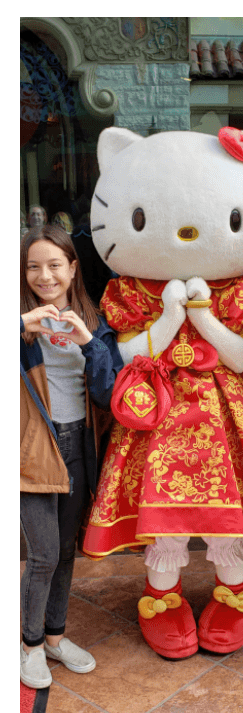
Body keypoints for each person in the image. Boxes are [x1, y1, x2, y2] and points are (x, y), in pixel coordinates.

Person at [20, 225, 122, 688]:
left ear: (73, 268)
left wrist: (89, 341)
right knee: (41, 555)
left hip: (77, 444)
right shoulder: (18, 319)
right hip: (30, 450)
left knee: (63, 552)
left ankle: (55, 638)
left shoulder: (90, 318)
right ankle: (30, 646)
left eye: (54, 265)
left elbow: (108, 393)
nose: (45, 276)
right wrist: (21, 327)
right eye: (34, 267)